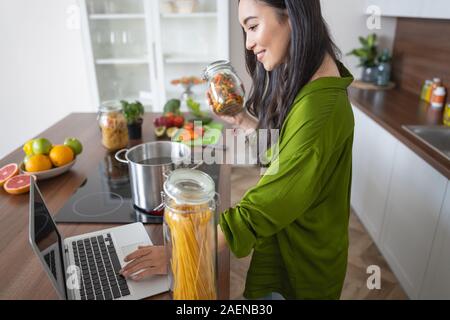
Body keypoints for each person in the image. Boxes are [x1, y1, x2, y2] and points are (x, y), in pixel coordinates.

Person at [120, 0, 355, 300]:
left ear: (293, 16)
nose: (249, 43)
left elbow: (271, 202)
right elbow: (283, 156)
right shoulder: (313, 84)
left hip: (302, 267)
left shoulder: (318, 106)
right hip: (291, 247)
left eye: (254, 26)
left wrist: (183, 250)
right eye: (245, 30)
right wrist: (242, 119)